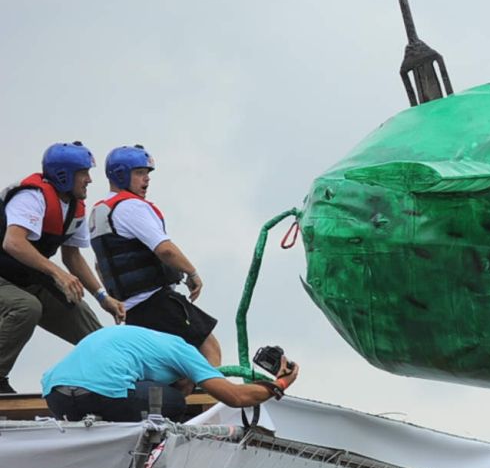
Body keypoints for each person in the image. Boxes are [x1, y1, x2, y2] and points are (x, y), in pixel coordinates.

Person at [0, 142, 123, 395]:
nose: (89, 180)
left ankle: (115, 384)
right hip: (4, 278)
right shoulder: (31, 197)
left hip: (28, 278)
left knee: (91, 331)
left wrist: (103, 297)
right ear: (64, 175)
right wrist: (57, 273)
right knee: (26, 307)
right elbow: (13, 242)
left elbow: (73, 257)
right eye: (84, 173)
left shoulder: (74, 207)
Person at [89, 144, 220, 364]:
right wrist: (192, 273)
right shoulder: (132, 207)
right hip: (156, 302)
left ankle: (185, 397)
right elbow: (165, 250)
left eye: (147, 173)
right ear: (121, 174)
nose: (146, 179)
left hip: (132, 312)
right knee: (208, 349)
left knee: (175, 371)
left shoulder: (100, 214)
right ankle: (213, 399)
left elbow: (100, 266)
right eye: (139, 173)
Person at [41, 325, 297, 422]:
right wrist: (280, 383)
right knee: (174, 401)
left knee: (140, 392)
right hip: (104, 394)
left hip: (55, 394)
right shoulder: (183, 350)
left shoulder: (142, 339)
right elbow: (235, 397)